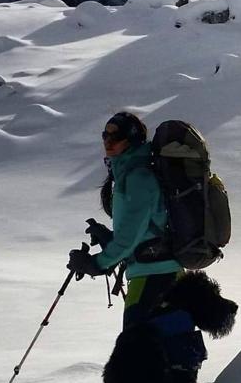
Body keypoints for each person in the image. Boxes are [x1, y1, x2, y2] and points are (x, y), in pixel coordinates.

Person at [68, 111, 183, 329]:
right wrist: (109, 238)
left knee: (139, 353)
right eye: (105, 135)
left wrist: (97, 263)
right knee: (159, 350)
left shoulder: (138, 178)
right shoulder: (131, 173)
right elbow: (141, 230)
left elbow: (130, 236)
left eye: (116, 136)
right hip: (160, 273)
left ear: (131, 140)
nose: (108, 142)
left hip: (153, 278)